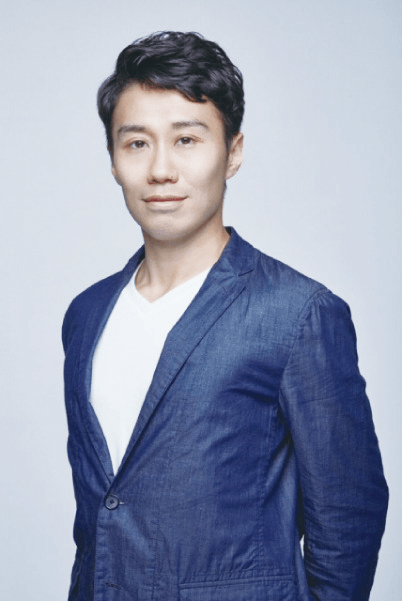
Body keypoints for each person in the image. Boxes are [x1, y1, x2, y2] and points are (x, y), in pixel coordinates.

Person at [62, 31, 388, 601]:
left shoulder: (298, 313)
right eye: (136, 143)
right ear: (113, 159)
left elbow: (349, 517)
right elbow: (100, 519)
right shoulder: (87, 315)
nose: (160, 169)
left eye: (187, 139)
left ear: (232, 153)